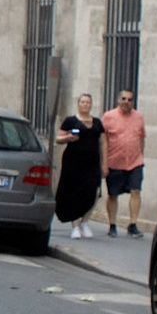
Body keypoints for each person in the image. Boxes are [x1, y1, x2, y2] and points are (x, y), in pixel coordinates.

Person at [53, 92, 103, 232]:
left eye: (88, 102)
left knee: (95, 192)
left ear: (91, 105)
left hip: (92, 162)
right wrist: (69, 137)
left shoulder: (98, 123)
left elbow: (103, 143)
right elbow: (58, 139)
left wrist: (104, 164)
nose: (85, 105)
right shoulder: (70, 121)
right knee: (74, 192)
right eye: (83, 102)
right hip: (73, 162)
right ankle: (75, 225)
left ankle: (85, 220)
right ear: (78, 104)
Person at [102, 88, 148, 232]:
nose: (126, 102)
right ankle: (112, 224)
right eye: (124, 99)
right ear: (118, 100)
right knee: (113, 194)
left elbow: (141, 137)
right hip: (114, 161)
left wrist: (140, 155)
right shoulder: (109, 117)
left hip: (135, 161)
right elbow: (103, 140)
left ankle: (133, 223)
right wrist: (104, 163)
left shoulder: (139, 117)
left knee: (136, 191)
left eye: (130, 99)